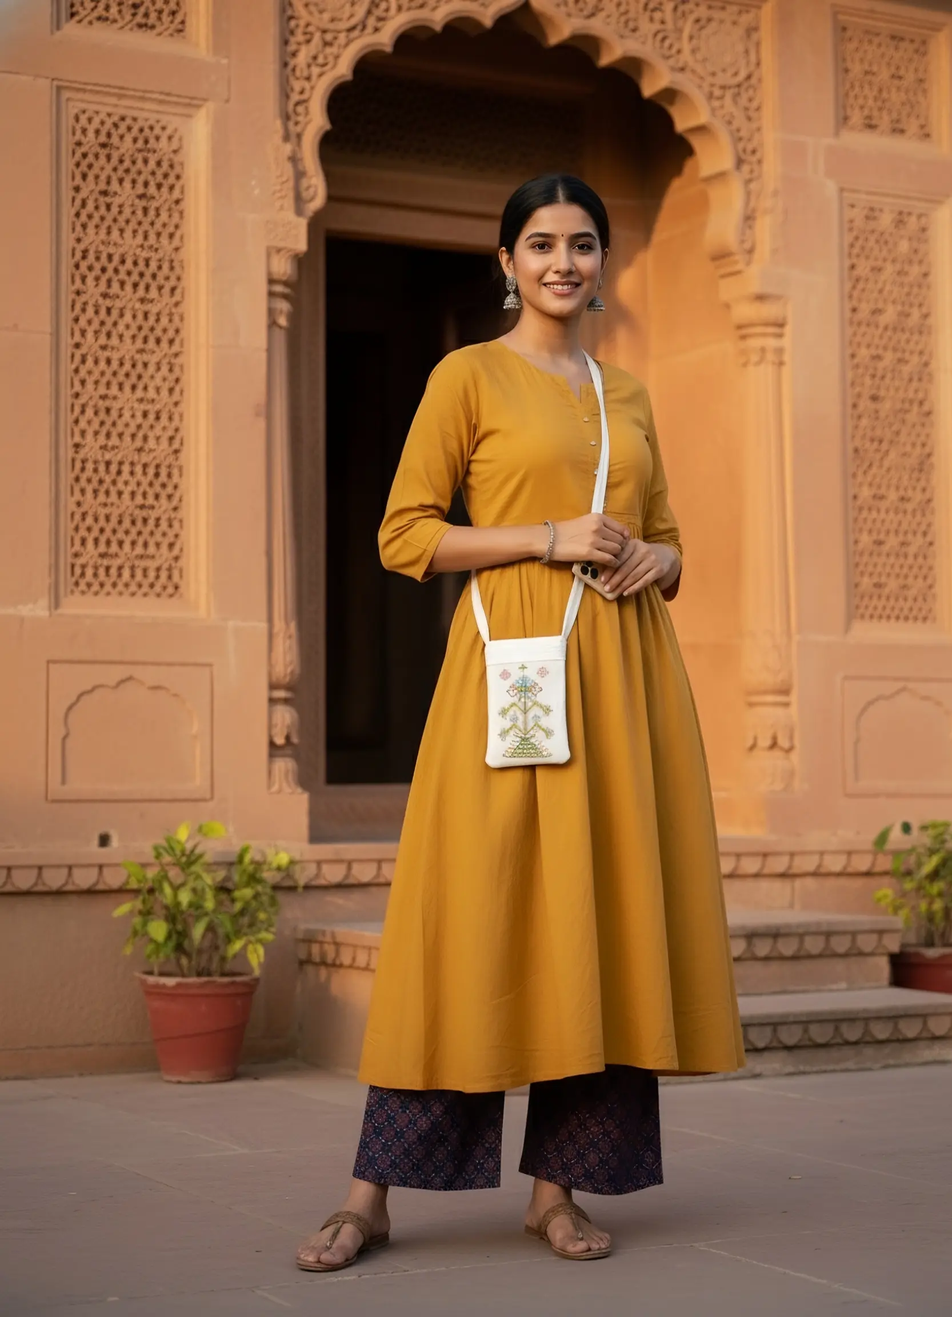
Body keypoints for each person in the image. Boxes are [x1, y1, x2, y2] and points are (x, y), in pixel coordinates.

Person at [296, 173, 743, 1271]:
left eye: (582, 243)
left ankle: (558, 1191)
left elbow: (671, 537)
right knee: (470, 912)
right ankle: (371, 1194)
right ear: (506, 262)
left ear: (600, 264)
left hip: (624, 677)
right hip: (511, 675)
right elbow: (405, 537)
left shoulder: (623, 394)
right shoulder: (469, 375)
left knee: (595, 919)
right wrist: (545, 537)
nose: (562, 261)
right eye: (540, 243)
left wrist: (658, 557)